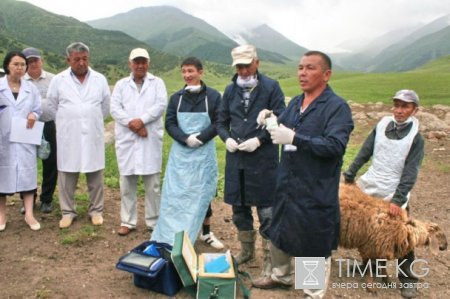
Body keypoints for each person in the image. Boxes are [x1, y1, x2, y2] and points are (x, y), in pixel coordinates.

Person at [252, 51, 354, 299]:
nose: (302, 73)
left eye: (310, 68)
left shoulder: (337, 108)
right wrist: (270, 119)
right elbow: (282, 124)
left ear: (326, 74)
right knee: (280, 230)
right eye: (300, 68)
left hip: (315, 188)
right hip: (287, 184)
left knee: (314, 242)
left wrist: (296, 138)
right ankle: (281, 276)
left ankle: (311, 291)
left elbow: (335, 146)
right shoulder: (297, 102)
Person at [343, 89, 424, 299]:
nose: (399, 110)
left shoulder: (416, 139)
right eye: (397, 105)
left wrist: (398, 200)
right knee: (366, 229)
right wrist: (351, 173)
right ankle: (371, 268)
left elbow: (410, 171)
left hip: (395, 189)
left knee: (402, 237)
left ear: (414, 110)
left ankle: (408, 280)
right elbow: (365, 151)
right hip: (372, 184)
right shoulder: (381, 126)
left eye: (405, 107)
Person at [216, 45, 286, 269]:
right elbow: (221, 121)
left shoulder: (271, 88)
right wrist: (226, 138)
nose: (243, 71)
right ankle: (247, 251)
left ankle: (269, 259)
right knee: (239, 209)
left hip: (263, 159)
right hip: (237, 159)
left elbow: (281, 117)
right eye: (239, 67)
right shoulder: (229, 90)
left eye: (247, 65)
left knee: (266, 211)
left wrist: (260, 139)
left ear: (257, 62)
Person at [151, 57, 223, 248]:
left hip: (203, 154)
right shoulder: (176, 98)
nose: (187, 75)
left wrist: (201, 137)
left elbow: (219, 123)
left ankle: (206, 233)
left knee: (203, 192)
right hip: (181, 155)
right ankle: (173, 231)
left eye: (190, 71)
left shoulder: (214, 97)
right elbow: (170, 123)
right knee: (177, 193)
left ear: (200, 72)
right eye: (184, 71)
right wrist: (185, 138)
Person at [47, 42, 110, 229]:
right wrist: (70, 119)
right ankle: (67, 212)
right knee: (67, 175)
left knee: (95, 175)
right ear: (68, 60)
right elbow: (52, 105)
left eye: (84, 59)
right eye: (77, 59)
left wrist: (89, 117)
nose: (81, 63)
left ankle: (96, 211)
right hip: (69, 135)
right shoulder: (58, 80)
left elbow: (105, 107)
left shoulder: (99, 79)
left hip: (92, 133)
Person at [110, 48, 167, 236]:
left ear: (148, 64)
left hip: (149, 139)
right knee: (127, 184)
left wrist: (141, 121)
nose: (140, 65)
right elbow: (115, 108)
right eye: (136, 62)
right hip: (128, 139)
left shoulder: (157, 83)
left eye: (143, 62)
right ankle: (127, 221)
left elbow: (160, 105)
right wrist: (133, 124)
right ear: (130, 64)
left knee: (153, 185)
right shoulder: (120, 85)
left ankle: (153, 221)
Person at [0, 51, 42, 231]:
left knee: (27, 175)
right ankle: (1, 215)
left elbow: (38, 108)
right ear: (7, 65)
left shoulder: (31, 88)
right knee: (1, 177)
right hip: (4, 139)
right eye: (15, 64)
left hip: (25, 138)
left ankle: (29, 214)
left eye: (22, 65)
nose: (19, 68)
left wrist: (34, 114)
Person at [20, 47, 56, 214]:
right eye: (29, 61)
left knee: (50, 163)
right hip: (27, 127)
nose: (33, 63)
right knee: (26, 163)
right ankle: (28, 199)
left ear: (41, 60)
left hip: (49, 125)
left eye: (35, 60)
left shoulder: (53, 79)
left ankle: (46, 199)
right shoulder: (19, 80)